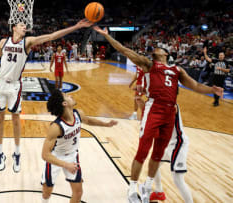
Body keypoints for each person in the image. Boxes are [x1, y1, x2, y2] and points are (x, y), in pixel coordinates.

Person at [93, 26, 223, 203]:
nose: (154, 49)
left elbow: (195, 85)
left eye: (158, 49)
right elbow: (124, 50)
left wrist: (212, 90)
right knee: (143, 150)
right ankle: (132, 188)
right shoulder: (149, 64)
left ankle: (148, 185)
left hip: (170, 111)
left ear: (165, 54)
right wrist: (107, 36)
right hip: (154, 108)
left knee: (158, 153)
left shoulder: (178, 70)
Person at [0, 19, 93, 173]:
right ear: (14, 27)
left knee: (16, 120)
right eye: (22, 25)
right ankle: (0, 153)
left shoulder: (27, 42)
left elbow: (51, 36)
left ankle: (17, 153)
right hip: (0, 84)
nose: (25, 27)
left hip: (14, 86)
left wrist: (76, 27)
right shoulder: (3, 42)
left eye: (26, 26)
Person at [41, 89, 118, 203]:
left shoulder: (78, 114)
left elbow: (89, 120)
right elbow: (45, 155)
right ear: (64, 103)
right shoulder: (56, 127)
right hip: (56, 158)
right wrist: (66, 165)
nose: (71, 95)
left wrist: (106, 124)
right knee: (47, 192)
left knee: (78, 193)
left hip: (72, 156)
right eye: (67, 95)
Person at [150, 104, 193, 203]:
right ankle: (159, 192)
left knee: (178, 179)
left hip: (178, 144)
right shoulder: (157, 103)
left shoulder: (172, 104)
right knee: (153, 165)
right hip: (167, 143)